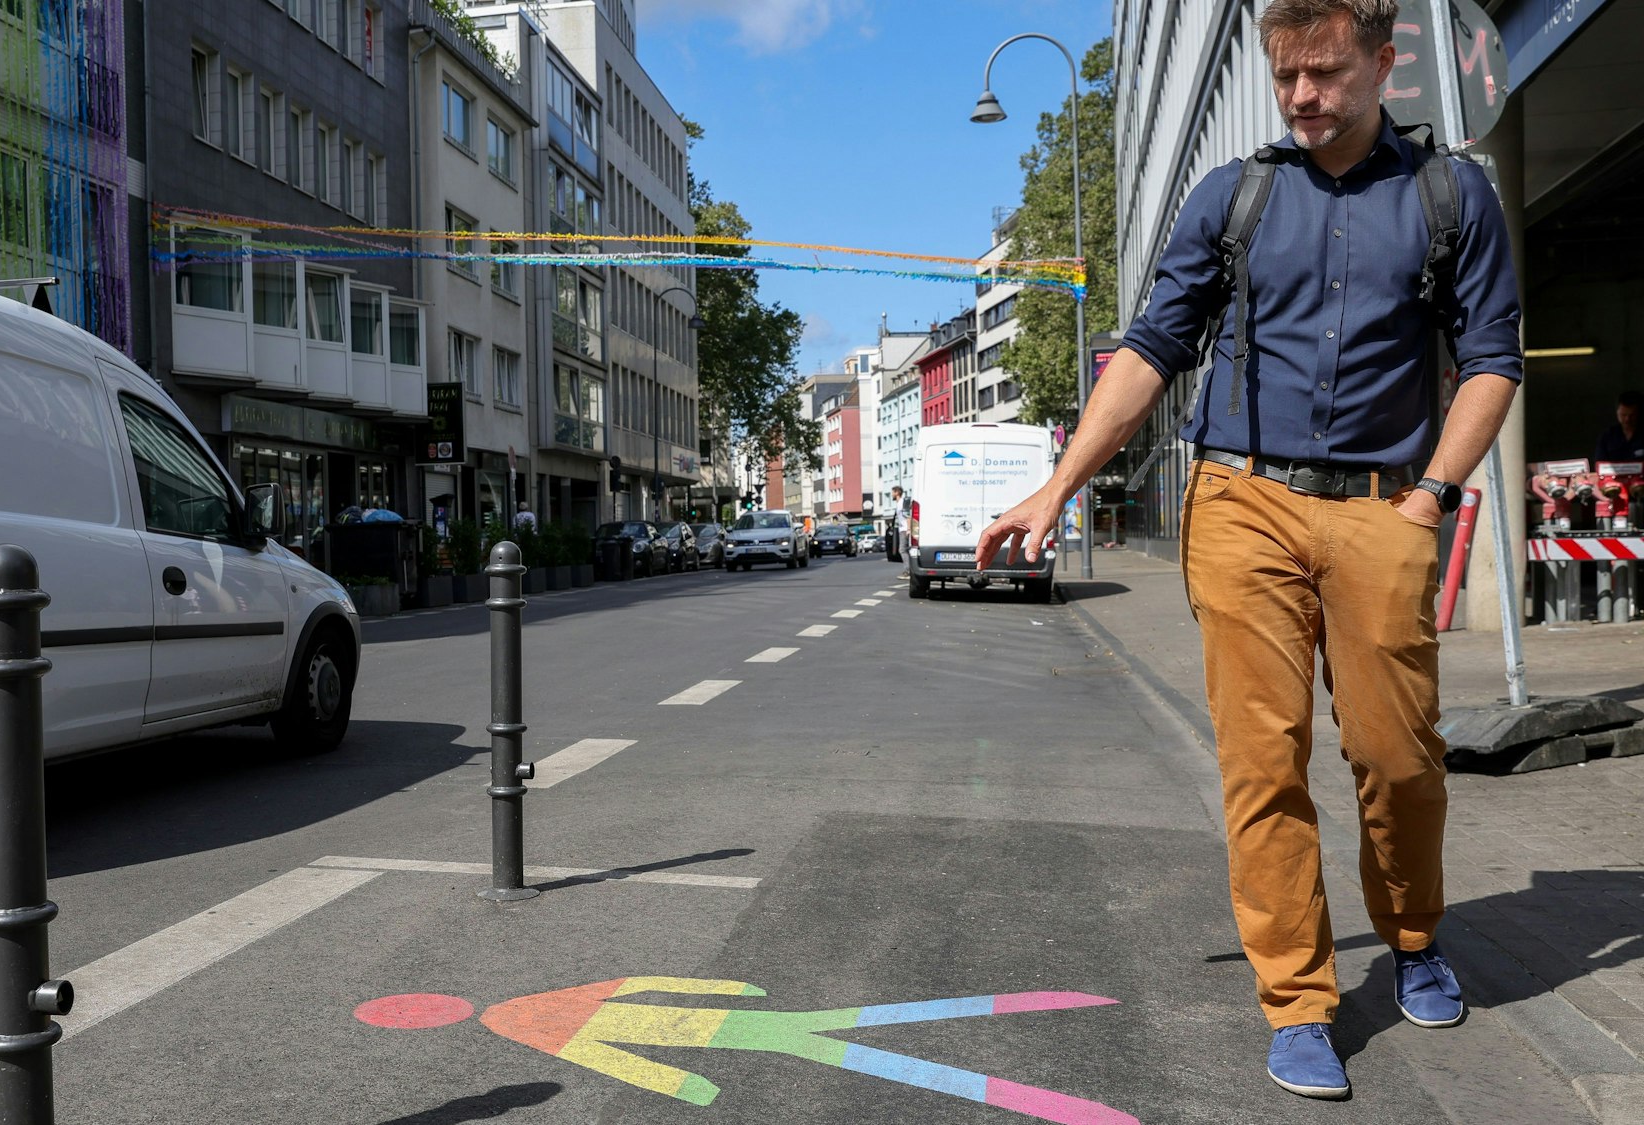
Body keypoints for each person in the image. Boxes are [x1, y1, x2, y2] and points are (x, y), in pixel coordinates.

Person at [977, 0, 1520, 1101]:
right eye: (1285, 78)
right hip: (1240, 502)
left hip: (1383, 507)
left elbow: (1491, 359)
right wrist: (1055, 486)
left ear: (1382, 60)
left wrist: (1427, 499)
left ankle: (1413, 937)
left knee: (1397, 757)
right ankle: (1298, 999)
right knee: (1261, 763)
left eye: (1324, 73)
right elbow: (1149, 347)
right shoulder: (1236, 194)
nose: (1302, 97)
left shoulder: (1449, 193)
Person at [355, 978, 1137, 1123]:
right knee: (879, 1027)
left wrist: (686, 1083)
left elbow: (618, 1046)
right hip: (760, 1029)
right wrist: (723, 1004)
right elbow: (638, 991)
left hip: (754, 1036)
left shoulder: (527, 1019)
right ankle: (1054, 1034)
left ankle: (1065, 1099)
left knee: (879, 1037)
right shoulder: (529, 1016)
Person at [1593, 391, 1642, 464]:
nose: (1627, 419)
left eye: (1632, 415)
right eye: (1623, 415)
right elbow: (1600, 463)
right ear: (1617, 413)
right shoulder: (1607, 436)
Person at [886, 484, 906, 562]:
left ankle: (908, 569)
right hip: (901, 529)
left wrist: (908, 529)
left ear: (897, 493)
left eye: (892, 493)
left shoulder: (902, 503)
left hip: (904, 529)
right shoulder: (898, 504)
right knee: (903, 550)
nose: (892, 495)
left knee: (902, 550)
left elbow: (907, 516)